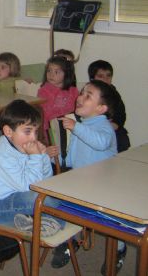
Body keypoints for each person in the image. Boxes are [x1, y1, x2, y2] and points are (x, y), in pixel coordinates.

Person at [52, 80, 121, 271]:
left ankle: (119, 249)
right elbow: (73, 158)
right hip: (81, 183)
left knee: (115, 222)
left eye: (87, 95)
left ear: (101, 108)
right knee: (62, 205)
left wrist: (76, 128)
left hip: (104, 186)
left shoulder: (104, 128)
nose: (80, 97)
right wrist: (55, 155)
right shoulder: (80, 125)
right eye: (81, 93)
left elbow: (99, 142)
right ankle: (70, 241)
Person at [0, 100, 63, 237]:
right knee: (40, 198)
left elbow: (46, 180)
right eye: (27, 131)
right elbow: (30, 187)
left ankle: (42, 221)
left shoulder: (20, 145)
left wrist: (43, 157)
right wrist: (36, 158)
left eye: (35, 132)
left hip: (19, 198)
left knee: (56, 192)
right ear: (8, 131)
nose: (33, 138)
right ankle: (50, 221)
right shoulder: (2, 156)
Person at [87, 59, 130, 153]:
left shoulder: (114, 93)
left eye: (108, 76)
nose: (105, 79)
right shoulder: (87, 93)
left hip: (112, 127)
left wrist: (115, 124)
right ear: (92, 78)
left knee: (122, 139)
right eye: (101, 76)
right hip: (93, 128)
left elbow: (121, 114)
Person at [37, 55, 78, 135]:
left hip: (70, 127)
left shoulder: (74, 91)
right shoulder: (43, 91)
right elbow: (45, 114)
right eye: (49, 71)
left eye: (56, 72)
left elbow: (77, 110)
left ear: (67, 74)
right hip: (50, 129)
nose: (51, 75)